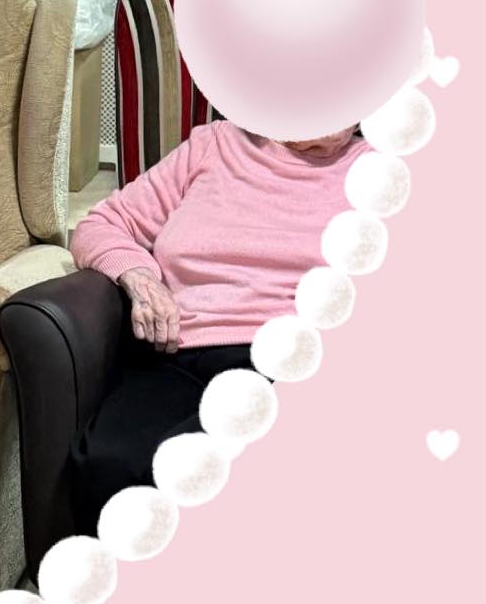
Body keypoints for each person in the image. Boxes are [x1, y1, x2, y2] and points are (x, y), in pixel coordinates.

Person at [67, 115, 361, 527]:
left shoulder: (380, 174)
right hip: (176, 351)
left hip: (289, 367)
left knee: (196, 469)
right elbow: (102, 223)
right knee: (107, 464)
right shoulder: (215, 145)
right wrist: (140, 278)